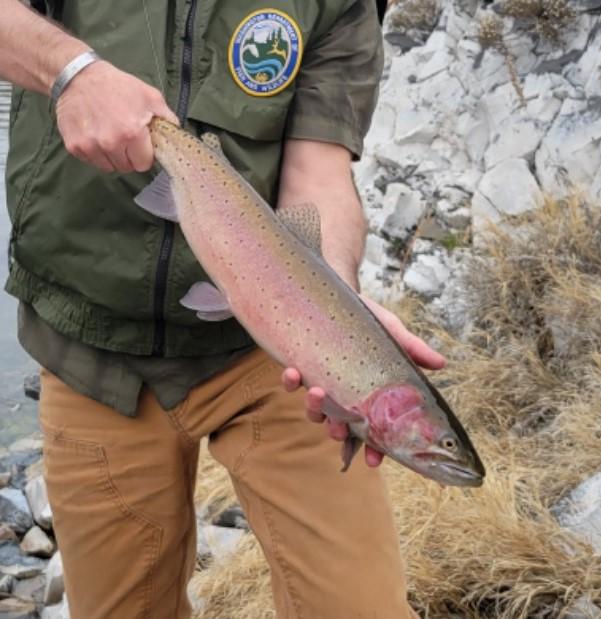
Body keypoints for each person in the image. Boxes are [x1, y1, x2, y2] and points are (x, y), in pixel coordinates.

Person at [1, 1, 446, 617]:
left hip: (265, 352)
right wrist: (69, 68)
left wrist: (336, 313)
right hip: (92, 352)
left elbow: (318, 173)